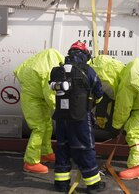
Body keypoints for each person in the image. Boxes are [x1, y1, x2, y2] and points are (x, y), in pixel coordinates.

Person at [49, 41, 106, 193]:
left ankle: (61, 183)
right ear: (84, 54)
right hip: (80, 116)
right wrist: (94, 103)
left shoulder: (58, 70)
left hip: (61, 117)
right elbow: (98, 90)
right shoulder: (87, 70)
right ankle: (93, 185)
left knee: (62, 147)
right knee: (85, 148)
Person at [14, 48, 64, 174]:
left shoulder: (47, 60)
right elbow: (50, 93)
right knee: (39, 128)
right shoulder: (50, 68)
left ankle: (45, 153)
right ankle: (30, 162)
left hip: (37, 96)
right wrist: (61, 108)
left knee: (47, 125)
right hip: (33, 98)